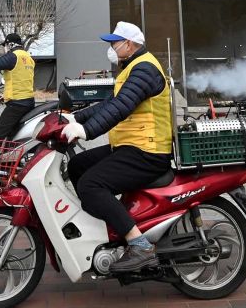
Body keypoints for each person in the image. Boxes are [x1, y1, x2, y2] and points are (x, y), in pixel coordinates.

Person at [60, 21, 174, 273]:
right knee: (78, 164)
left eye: (115, 43)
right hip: (131, 146)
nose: (112, 48)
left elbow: (121, 107)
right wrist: (75, 118)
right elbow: (109, 103)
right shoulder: (133, 67)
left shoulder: (144, 69)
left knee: (91, 184)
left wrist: (86, 131)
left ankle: (140, 245)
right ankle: (105, 225)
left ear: (130, 44)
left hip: (148, 152)